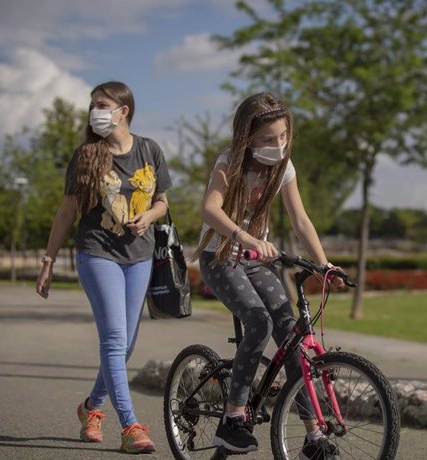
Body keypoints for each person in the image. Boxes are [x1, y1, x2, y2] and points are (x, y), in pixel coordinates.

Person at [193, 92, 342, 459]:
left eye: (283, 137)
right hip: (220, 256)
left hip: (256, 259)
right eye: (267, 139)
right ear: (247, 138)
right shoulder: (229, 162)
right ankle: (232, 419)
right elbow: (209, 209)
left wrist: (325, 265)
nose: (278, 145)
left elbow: (301, 220)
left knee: (290, 333)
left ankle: (312, 439)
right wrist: (244, 236)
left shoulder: (284, 167)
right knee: (258, 321)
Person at [36, 81, 171, 454]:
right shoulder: (86, 155)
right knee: (113, 339)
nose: (94, 110)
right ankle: (130, 427)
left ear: (122, 110)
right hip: (97, 252)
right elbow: (67, 212)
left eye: (102, 104)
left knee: (125, 345)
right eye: (93, 104)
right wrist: (47, 261)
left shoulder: (149, 149)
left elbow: (162, 202)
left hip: (140, 256)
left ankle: (91, 408)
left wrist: (149, 216)